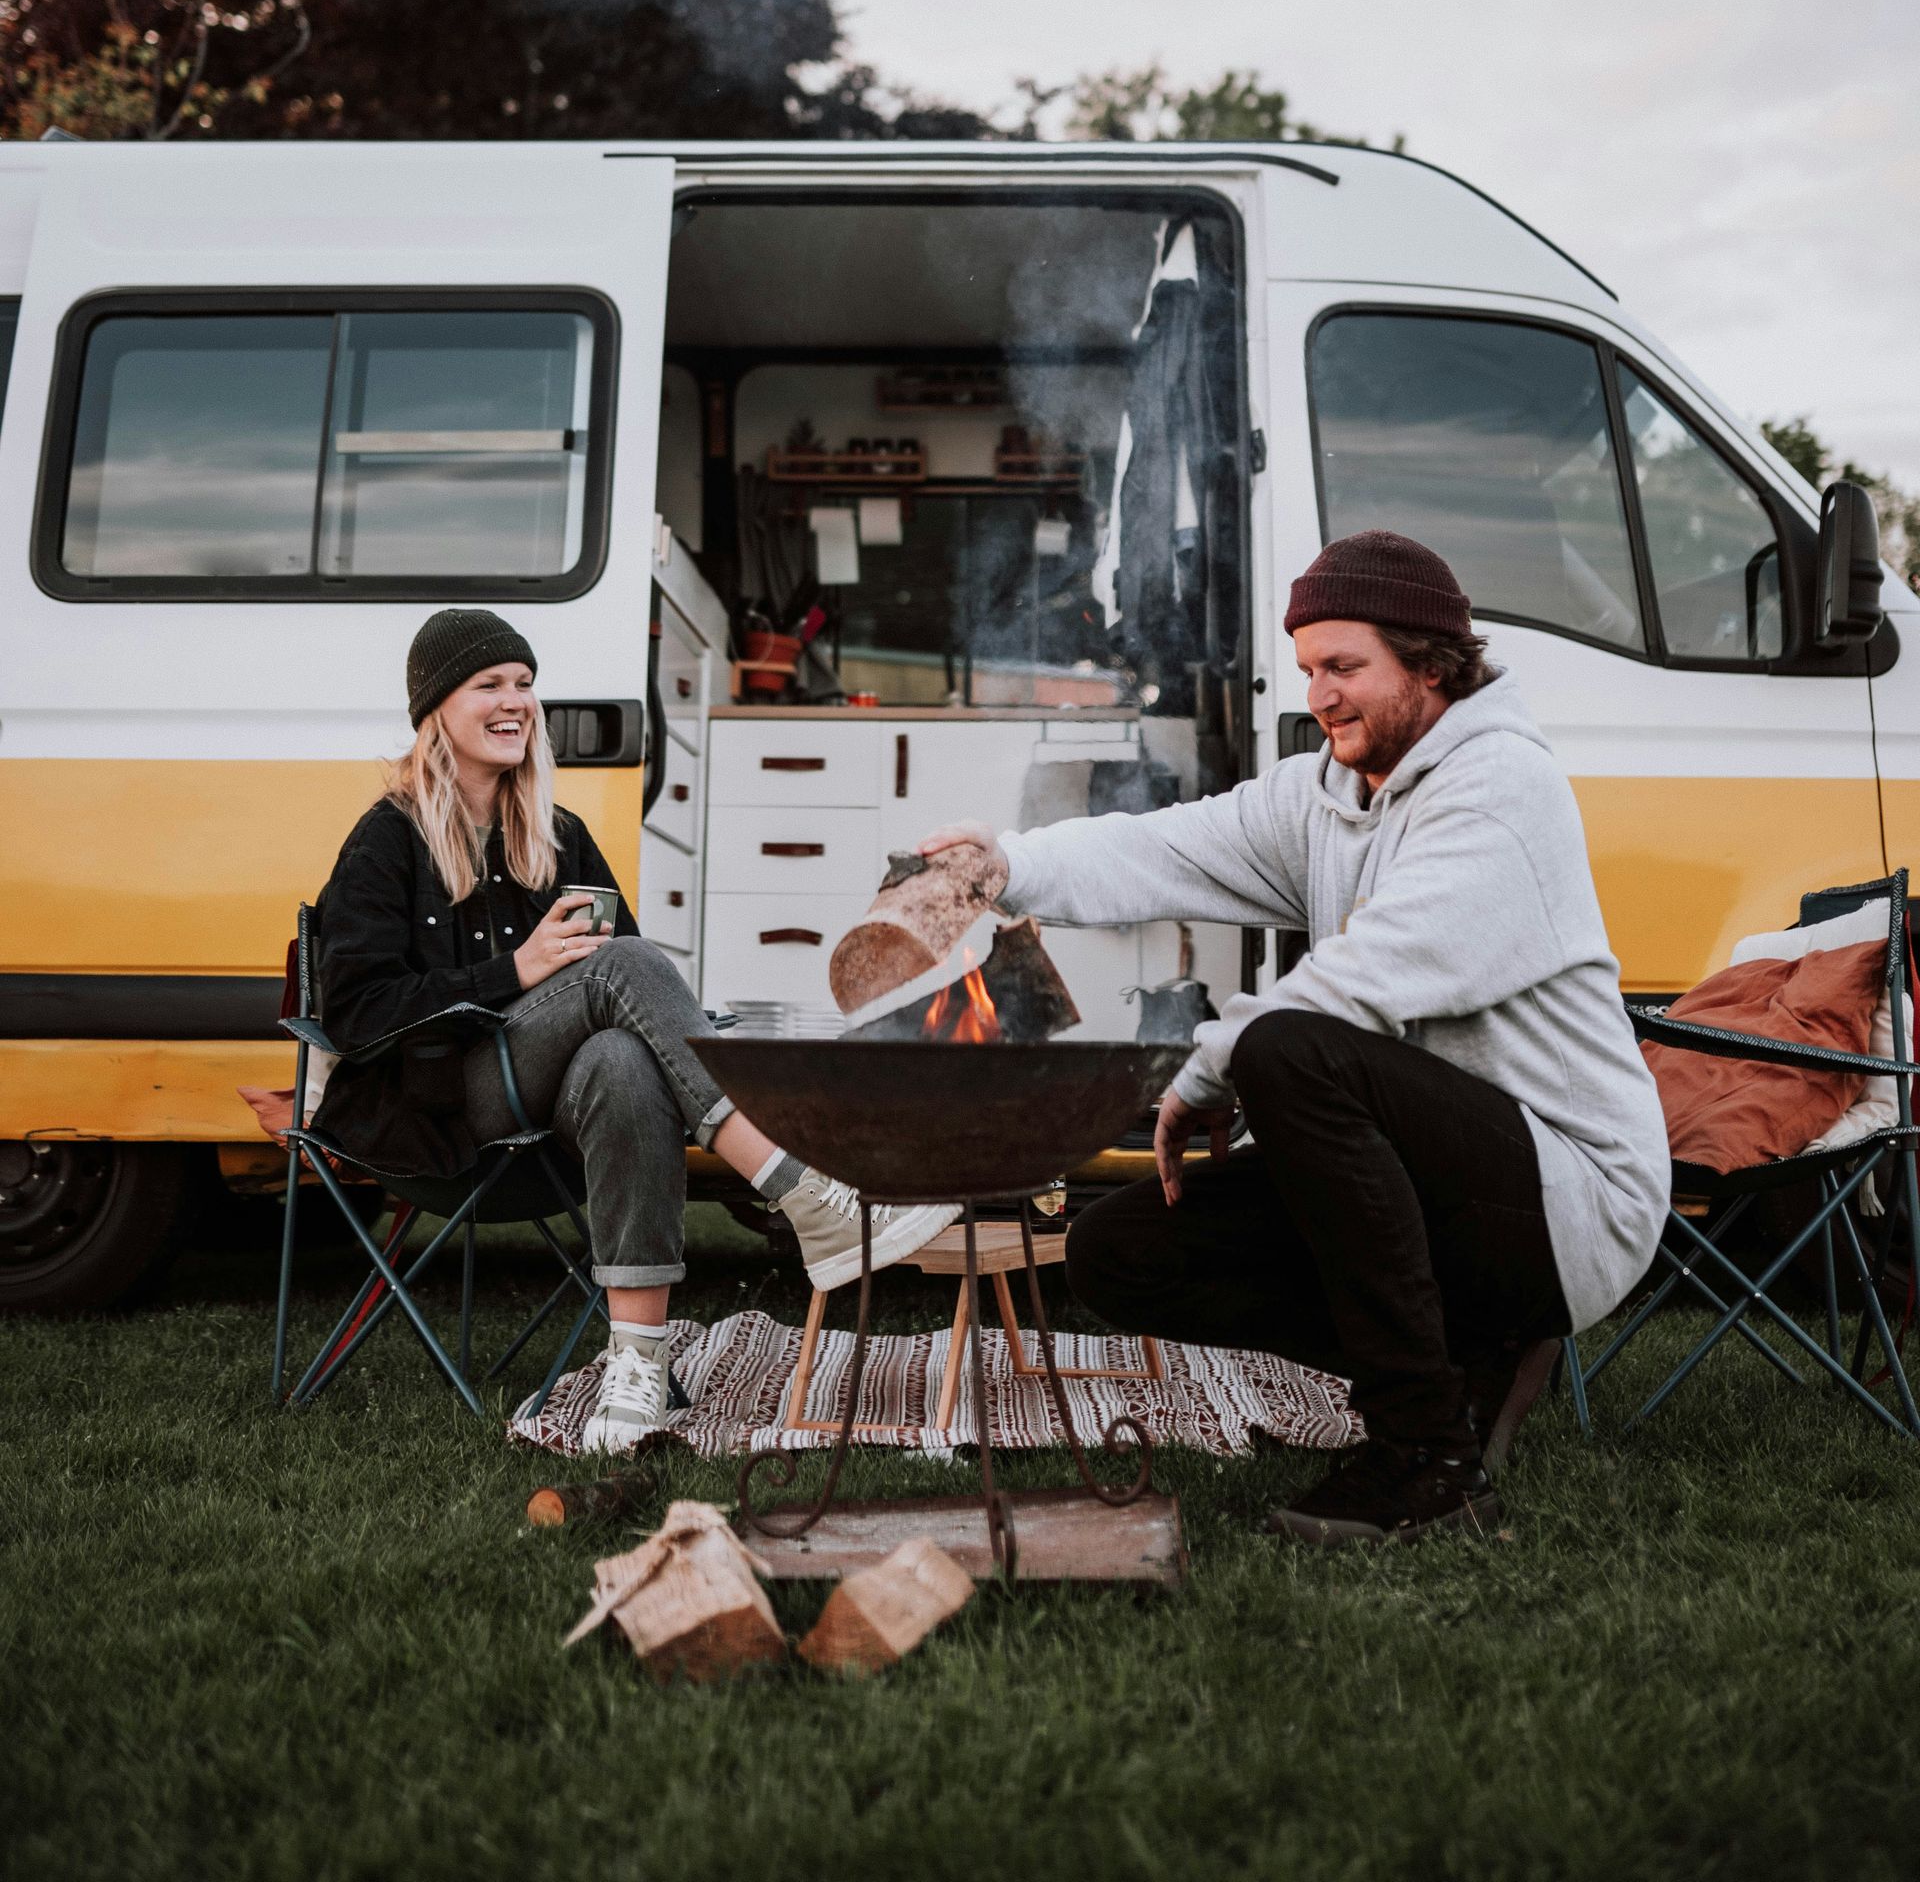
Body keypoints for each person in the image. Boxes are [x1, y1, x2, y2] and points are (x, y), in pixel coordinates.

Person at [920, 530, 1667, 1546]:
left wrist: (1205, 1073)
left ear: (1431, 662)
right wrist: (1006, 862)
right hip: (1432, 1187)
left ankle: (1428, 1462)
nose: (1321, 693)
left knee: (1287, 1047)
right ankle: (1456, 1362)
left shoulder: (1501, 791)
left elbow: (1366, 979)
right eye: (1311, 668)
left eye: (1346, 667)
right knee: (1117, 1252)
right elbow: (1167, 845)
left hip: (1566, 1197)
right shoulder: (1325, 792)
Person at [312, 607, 956, 1451]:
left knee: (622, 1057)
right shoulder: (387, 840)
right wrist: (514, 972)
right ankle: (798, 1189)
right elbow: (355, 1014)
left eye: (525, 685)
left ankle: (636, 1370)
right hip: (450, 1109)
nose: (516, 703)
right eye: (489, 685)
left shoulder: (557, 835)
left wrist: (574, 977)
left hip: (558, 1109)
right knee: (624, 964)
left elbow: (630, 987)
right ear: (437, 705)